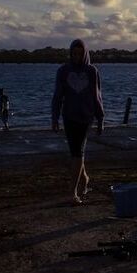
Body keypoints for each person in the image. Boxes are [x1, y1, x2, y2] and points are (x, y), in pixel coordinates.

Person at [51, 38, 104, 205]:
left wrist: (100, 118)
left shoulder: (92, 71)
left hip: (85, 117)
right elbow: (58, 96)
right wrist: (55, 117)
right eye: (74, 54)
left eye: (80, 54)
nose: (77, 57)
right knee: (75, 152)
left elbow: (97, 95)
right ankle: (85, 178)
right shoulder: (63, 71)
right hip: (69, 116)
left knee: (78, 152)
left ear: (85, 54)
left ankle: (72, 193)